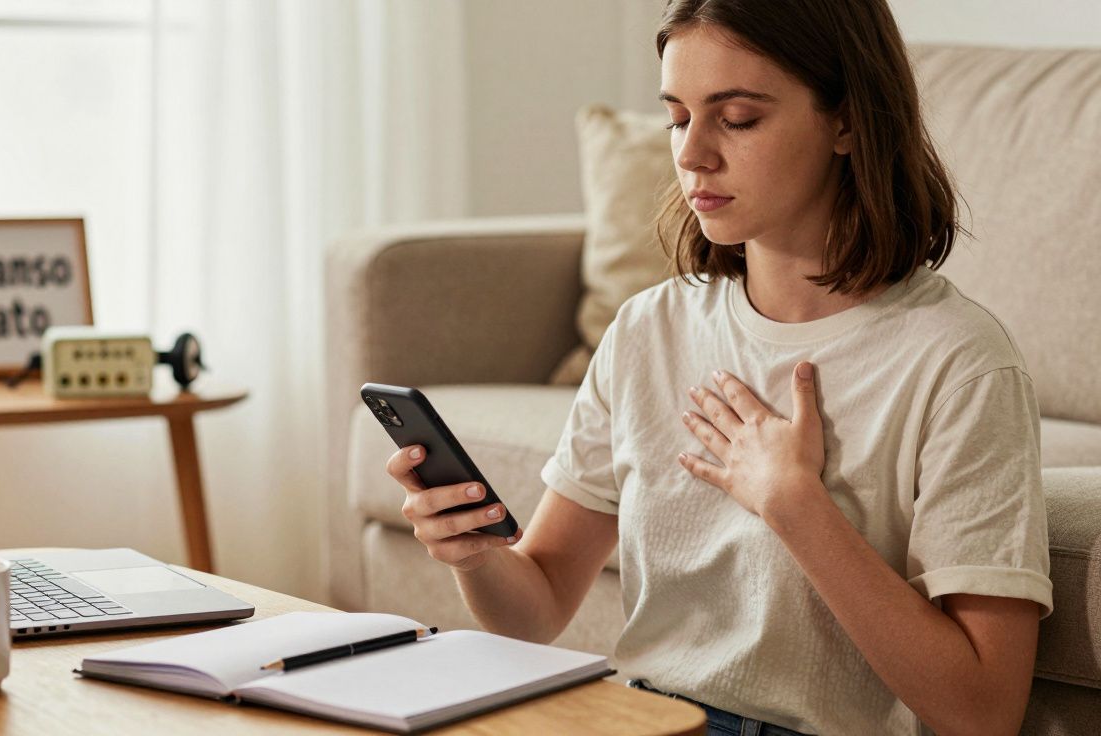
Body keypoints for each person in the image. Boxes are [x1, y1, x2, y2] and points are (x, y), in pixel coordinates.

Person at [385, 0, 1052, 734]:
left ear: (848, 121)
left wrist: (795, 505)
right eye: (678, 117)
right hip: (642, 717)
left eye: (736, 118)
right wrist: (475, 555)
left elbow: (983, 712)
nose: (691, 153)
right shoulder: (649, 330)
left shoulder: (956, 363)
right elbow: (535, 609)